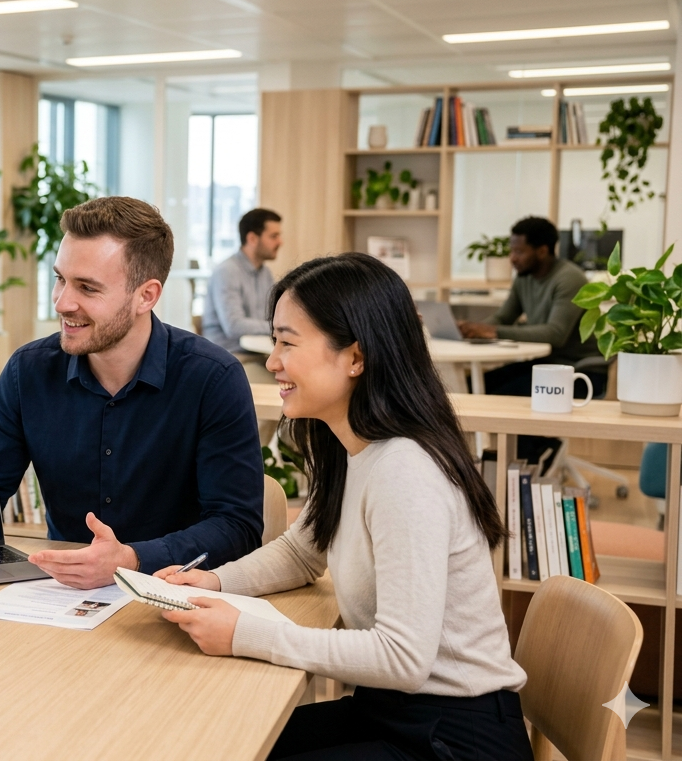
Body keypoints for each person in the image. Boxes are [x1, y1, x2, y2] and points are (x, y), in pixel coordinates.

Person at [157, 253, 532, 760]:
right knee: (221, 738)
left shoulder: (405, 470)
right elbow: (301, 553)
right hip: (395, 710)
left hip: (453, 738)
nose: (272, 362)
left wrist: (247, 634)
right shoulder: (351, 447)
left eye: (288, 342)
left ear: (355, 357)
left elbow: (403, 658)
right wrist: (215, 581)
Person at [0, 196, 264, 590]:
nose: (63, 302)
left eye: (87, 288)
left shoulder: (213, 378)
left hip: (172, 598)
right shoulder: (28, 371)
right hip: (58, 596)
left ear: (146, 296)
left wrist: (132, 559)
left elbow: (238, 525)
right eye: (60, 278)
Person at [457, 215, 601, 465]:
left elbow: (555, 334)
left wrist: (492, 332)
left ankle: (535, 458)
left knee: (504, 396)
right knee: (472, 387)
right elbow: (504, 317)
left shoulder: (569, 279)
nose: (512, 258)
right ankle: (509, 459)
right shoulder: (524, 278)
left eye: (519, 251)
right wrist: (471, 329)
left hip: (578, 371)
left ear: (542, 251)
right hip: (544, 365)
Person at [201, 208, 282, 383]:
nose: (280, 242)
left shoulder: (265, 273)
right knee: (280, 384)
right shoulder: (227, 272)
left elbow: (271, 316)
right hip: (228, 357)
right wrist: (275, 327)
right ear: (252, 238)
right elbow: (234, 325)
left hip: (257, 352)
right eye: (273, 236)